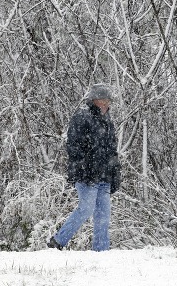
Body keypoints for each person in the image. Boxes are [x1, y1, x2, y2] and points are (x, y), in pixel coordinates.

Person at [48, 84, 121, 251]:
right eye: (104, 101)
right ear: (94, 101)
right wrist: (84, 167)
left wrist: (115, 172)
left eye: (108, 101)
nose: (107, 104)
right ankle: (58, 241)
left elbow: (112, 150)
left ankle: (101, 251)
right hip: (86, 175)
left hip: (104, 176)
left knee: (103, 215)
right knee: (86, 209)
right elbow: (73, 146)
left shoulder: (108, 121)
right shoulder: (82, 117)